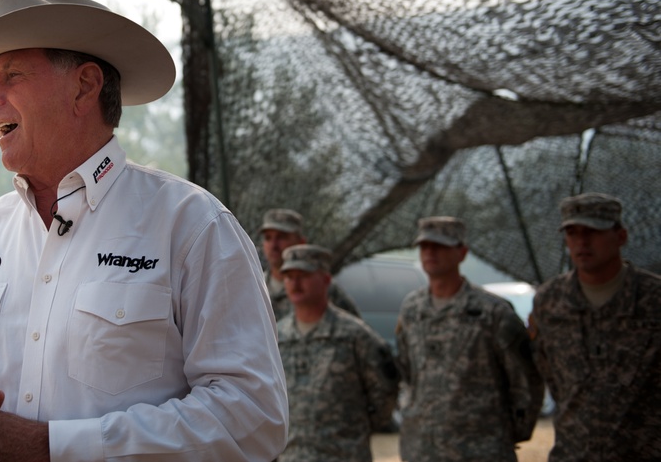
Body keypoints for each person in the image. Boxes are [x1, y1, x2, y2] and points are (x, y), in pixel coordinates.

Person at [0, 0, 288, 462]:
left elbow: (253, 418)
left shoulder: (193, 225)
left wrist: (52, 448)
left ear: (85, 87)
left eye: (11, 75)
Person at [395, 216, 543, 462]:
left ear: (462, 252)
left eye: (440, 245)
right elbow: (407, 372)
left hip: (480, 449)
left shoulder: (492, 312)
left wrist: (507, 434)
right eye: (424, 246)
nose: (430, 252)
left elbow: (526, 380)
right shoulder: (412, 309)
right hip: (422, 450)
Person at [530, 193, 661, 461]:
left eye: (593, 231)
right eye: (572, 232)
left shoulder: (652, 298)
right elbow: (549, 372)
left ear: (620, 236)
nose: (582, 242)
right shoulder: (550, 301)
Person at [277, 244, 398, 462]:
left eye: (303, 275)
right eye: (289, 276)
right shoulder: (277, 337)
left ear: (325, 279)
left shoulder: (355, 336)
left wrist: (351, 430)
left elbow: (385, 395)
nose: (294, 283)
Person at [258, 208, 361, 319]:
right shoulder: (255, 287)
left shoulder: (321, 289)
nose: (274, 245)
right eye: (268, 238)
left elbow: (352, 328)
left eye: (282, 237)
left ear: (301, 242)